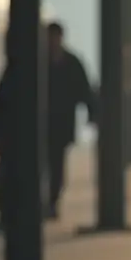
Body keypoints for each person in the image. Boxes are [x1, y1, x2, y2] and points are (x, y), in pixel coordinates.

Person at [45, 22, 95, 219]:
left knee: (56, 164)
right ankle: (45, 200)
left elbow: (84, 90)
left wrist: (92, 113)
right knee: (45, 164)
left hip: (61, 123)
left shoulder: (72, 62)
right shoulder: (41, 60)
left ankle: (52, 201)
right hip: (44, 123)